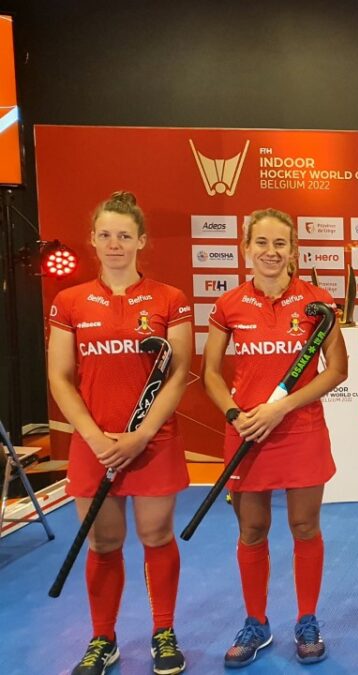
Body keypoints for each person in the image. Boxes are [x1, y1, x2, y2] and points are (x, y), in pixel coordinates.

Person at [47, 191, 193, 675]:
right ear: (93, 240)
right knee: (103, 542)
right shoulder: (68, 301)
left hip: (153, 443)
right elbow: (60, 378)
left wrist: (141, 435)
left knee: (156, 534)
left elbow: (176, 373)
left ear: (141, 240)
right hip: (94, 444)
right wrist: (93, 437)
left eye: (124, 236)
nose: (115, 244)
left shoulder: (170, 299)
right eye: (106, 235)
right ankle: (103, 639)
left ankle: (164, 631)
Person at [202, 208, 348, 667]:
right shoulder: (228, 306)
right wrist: (234, 413)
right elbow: (209, 373)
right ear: (246, 248)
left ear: (293, 250)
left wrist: (281, 406)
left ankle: (307, 619)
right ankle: (256, 623)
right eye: (261, 243)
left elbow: (338, 371)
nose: (270, 252)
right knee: (252, 530)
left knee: (305, 527)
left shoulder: (317, 302)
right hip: (246, 433)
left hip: (300, 430)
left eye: (280, 244)